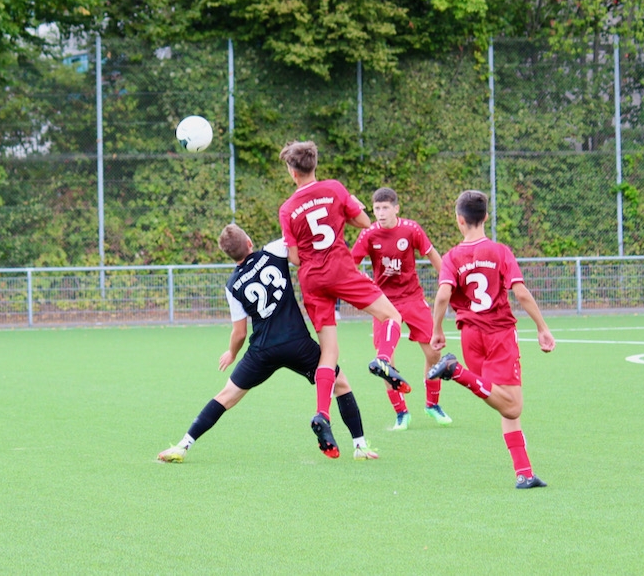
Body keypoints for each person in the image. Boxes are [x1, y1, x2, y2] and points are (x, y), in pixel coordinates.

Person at [157, 224, 378, 462]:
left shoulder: (232, 285)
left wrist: (231, 353)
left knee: (226, 396)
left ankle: (182, 446)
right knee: (340, 384)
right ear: (249, 242)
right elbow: (298, 238)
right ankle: (360, 446)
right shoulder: (274, 250)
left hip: (262, 350)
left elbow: (239, 333)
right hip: (296, 343)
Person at [278, 140, 410, 451]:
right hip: (340, 269)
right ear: (315, 165)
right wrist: (344, 212)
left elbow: (294, 257)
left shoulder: (287, 209)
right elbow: (365, 222)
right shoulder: (334, 189)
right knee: (391, 316)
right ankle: (383, 360)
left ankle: (322, 413)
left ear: (292, 172)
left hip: (312, 280)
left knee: (329, 352)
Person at [429, 190, 556, 489]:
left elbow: (443, 295)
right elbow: (520, 292)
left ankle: (524, 472)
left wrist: (437, 330)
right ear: (486, 217)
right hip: (499, 333)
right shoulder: (500, 251)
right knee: (513, 407)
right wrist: (542, 327)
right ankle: (456, 372)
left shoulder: (452, 257)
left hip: (470, 336)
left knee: (503, 401)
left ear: (460, 220)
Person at [351, 187, 452, 430]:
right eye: (377, 208)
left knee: (434, 353)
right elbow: (350, 264)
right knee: (385, 362)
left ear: (396, 208)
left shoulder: (411, 229)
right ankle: (401, 413)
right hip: (384, 303)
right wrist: (364, 283)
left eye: (385, 208)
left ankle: (432, 405)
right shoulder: (368, 234)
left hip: (413, 298)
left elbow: (432, 254)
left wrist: (447, 281)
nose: (381, 213)